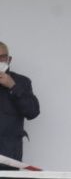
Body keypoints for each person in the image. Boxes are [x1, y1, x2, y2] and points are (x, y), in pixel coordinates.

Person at [0, 41, 41, 171]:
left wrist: (13, 86)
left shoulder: (21, 82)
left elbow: (33, 112)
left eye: (2, 57)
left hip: (8, 158)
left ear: (9, 59)